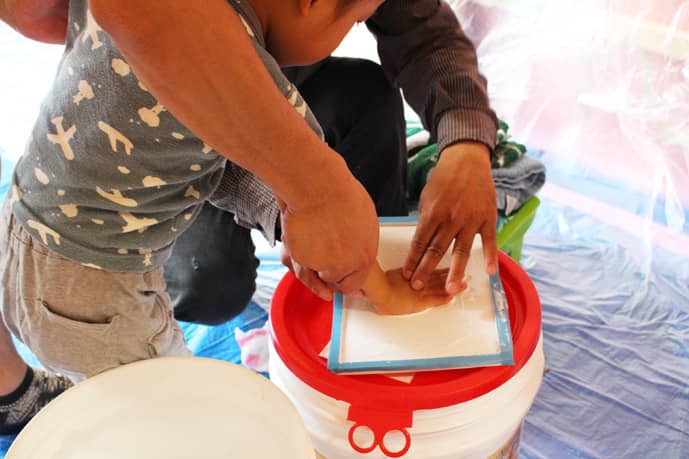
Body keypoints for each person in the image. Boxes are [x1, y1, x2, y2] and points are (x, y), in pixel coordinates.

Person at [0, 0, 498, 434]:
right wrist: (382, 289)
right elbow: (332, 224)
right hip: (92, 294)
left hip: (28, 239)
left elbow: (212, 161)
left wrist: (287, 216)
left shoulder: (172, 45)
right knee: (169, 419)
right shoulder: (246, 81)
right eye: (350, 22)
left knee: (137, 403)